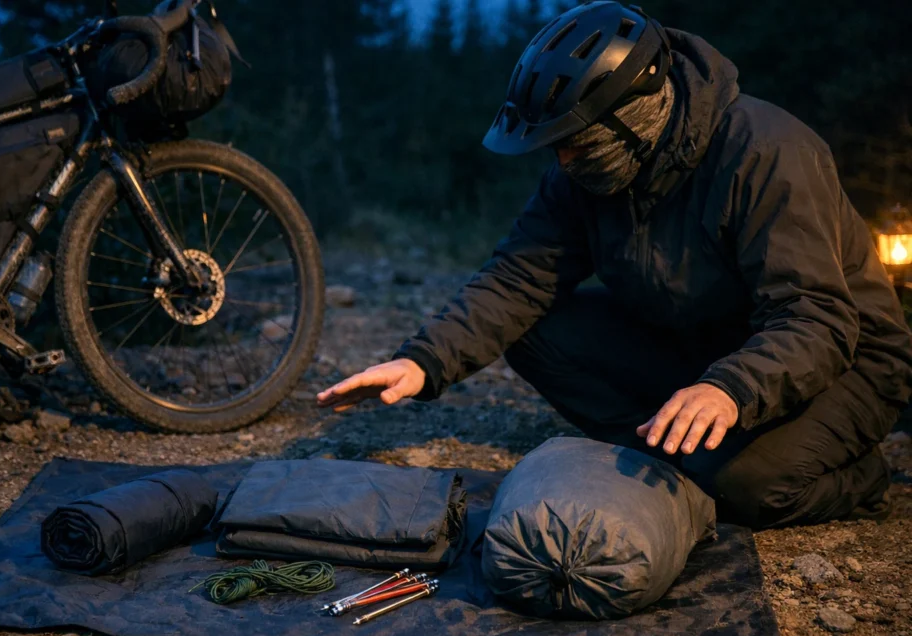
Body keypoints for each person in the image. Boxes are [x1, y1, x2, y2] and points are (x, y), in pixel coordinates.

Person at [317, 1, 912, 528]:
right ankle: (669, 448)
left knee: (744, 487)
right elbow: (520, 278)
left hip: (846, 361)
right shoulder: (586, 174)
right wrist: (422, 361)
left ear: (633, 117)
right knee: (534, 331)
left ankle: (859, 479)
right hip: (707, 345)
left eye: (573, 142)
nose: (561, 158)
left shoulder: (764, 151)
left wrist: (729, 389)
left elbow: (817, 319)